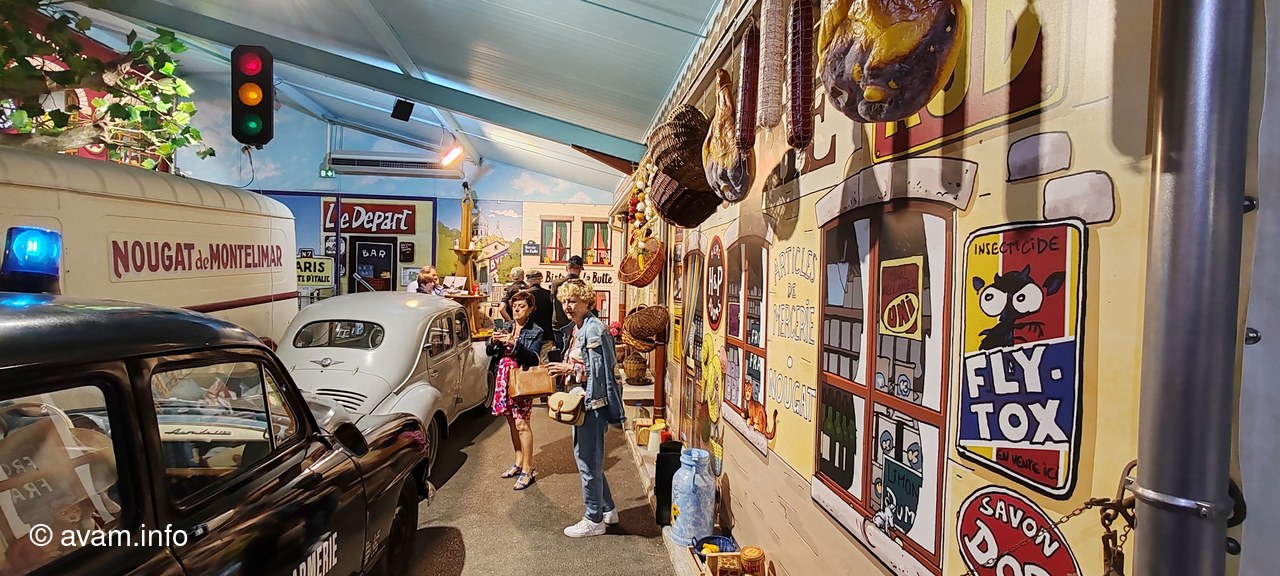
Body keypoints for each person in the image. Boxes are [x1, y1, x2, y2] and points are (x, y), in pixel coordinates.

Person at [546, 278, 625, 537]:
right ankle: (608, 510)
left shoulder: (593, 330)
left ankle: (593, 519)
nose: (567, 306)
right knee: (590, 459)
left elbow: (600, 374)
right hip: (583, 401)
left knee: (587, 462)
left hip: (592, 403)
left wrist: (569, 369)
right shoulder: (580, 327)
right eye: (564, 301)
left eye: (573, 301)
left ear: (587, 302)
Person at [486, 290, 544, 490]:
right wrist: (493, 341)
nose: (517, 310)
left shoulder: (536, 330)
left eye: (522, 306)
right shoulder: (507, 326)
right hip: (503, 377)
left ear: (531, 309)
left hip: (521, 378)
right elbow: (489, 351)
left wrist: (515, 343)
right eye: (514, 306)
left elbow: (533, 358)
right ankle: (518, 461)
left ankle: (528, 469)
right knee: (511, 421)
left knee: (522, 423)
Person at [548, 255, 584, 360]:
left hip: (558, 324)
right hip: (576, 325)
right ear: (580, 269)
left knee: (559, 355)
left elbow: (551, 302)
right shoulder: (582, 285)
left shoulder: (556, 283)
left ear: (567, 268)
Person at [525, 270, 555, 361]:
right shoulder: (549, 294)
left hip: (530, 333)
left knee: (529, 361)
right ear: (540, 280)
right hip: (547, 333)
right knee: (544, 363)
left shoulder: (525, 295)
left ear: (528, 281)